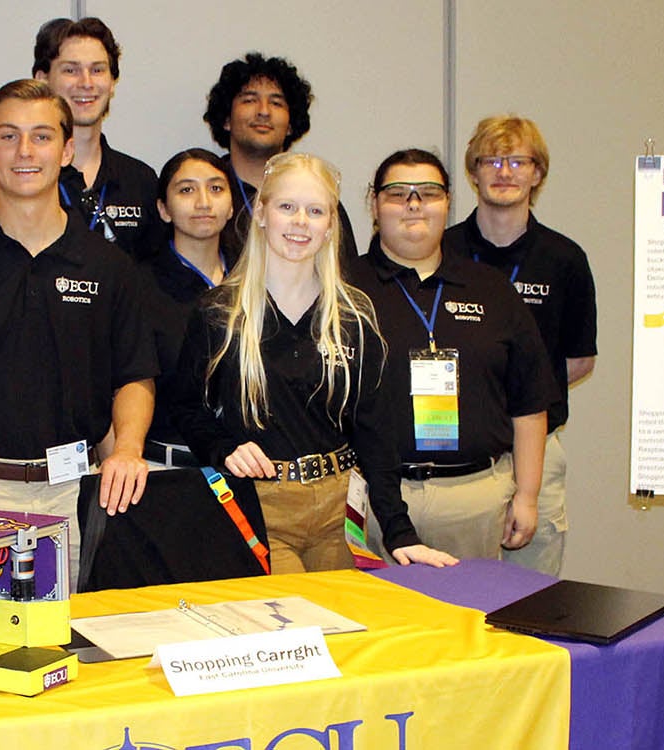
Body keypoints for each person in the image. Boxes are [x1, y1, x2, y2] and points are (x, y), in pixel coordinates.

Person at [0, 80, 156, 576]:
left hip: (77, 494)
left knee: (75, 644)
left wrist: (126, 452)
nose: (24, 151)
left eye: (41, 137)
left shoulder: (108, 266)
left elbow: (134, 374)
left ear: (66, 150)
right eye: (8, 136)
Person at [168, 152, 455, 573]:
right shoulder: (220, 313)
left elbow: (375, 430)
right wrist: (223, 447)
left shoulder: (355, 317)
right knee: (297, 631)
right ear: (262, 213)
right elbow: (186, 406)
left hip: (339, 513)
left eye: (315, 211)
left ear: (330, 225)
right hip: (260, 506)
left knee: (347, 629)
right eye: (287, 207)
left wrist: (399, 531)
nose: (301, 221)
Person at [346, 149, 558, 561]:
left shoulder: (490, 289)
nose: (413, 205)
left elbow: (530, 403)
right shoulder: (343, 288)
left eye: (428, 193)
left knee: (472, 621)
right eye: (397, 193)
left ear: (447, 203)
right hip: (370, 497)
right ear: (374, 204)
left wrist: (528, 495)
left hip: (474, 500)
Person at [443, 115, 597, 575]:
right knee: (455, 592)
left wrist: (517, 396)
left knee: (530, 592)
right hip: (459, 452)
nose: (504, 172)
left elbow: (579, 358)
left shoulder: (564, 259)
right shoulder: (443, 251)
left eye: (517, 161)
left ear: (537, 173)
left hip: (540, 451)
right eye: (491, 160)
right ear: (473, 172)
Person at [0, 17, 160, 254]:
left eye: (97, 70)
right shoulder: (9, 183)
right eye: (71, 70)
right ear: (42, 80)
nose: (86, 83)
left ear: (112, 82)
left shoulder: (140, 180)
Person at [139, 149, 241, 470]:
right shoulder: (138, 285)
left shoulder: (255, 279)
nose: (203, 202)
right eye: (186, 190)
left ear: (231, 205)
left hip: (245, 464)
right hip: (164, 465)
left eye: (215, 188)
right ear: (163, 209)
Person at [202, 53, 356, 252]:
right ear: (226, 119)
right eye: (249, 100)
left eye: (276, 103)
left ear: (291, 124)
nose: (264, 112)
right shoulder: (205, 193)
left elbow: (344, 273)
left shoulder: (317, 194)